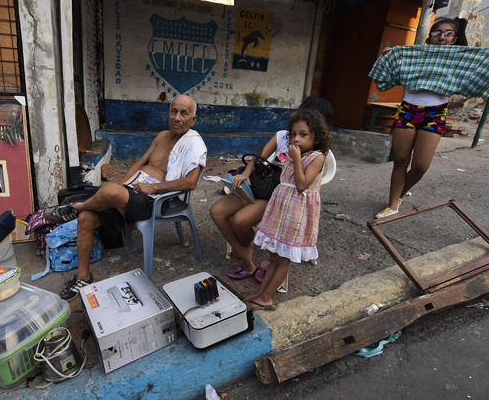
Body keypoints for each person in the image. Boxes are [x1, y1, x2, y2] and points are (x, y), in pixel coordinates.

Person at [45, 95, 207, 300]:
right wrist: (123, 184)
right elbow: (139, 163)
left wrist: (154, 187)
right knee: (87, 218)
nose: (177, 117)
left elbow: (190, 183)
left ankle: (74, 208)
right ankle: (83, 277)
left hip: (153, 200)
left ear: (193, 120)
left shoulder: (194, 144)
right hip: (132, 191)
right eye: (174, 111)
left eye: (184, 113)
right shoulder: (162, 136)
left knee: (108, 192)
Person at [371, 17, 489, 219]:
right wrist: (388, 57)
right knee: (400, 160)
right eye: (437, 33)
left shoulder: (459, 59)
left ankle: (399, 194)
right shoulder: (416, 55)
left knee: (420, 166)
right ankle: (392, 205)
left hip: (435, 113)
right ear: (429, 37)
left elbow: (484, 68)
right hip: (408, 110)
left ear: (454, 39)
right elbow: (388, 72)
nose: (442, 37)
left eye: (448, 33)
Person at [209, 96, 333, 282]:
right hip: (259, 184)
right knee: (217, 211)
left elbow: (305, 185)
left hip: (278, 197)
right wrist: (246, 174)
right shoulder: (283, 135)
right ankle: (244, 251)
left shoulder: (315, 153)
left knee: (240, 221)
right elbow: (258, 157)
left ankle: (246, 258)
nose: (297, 136)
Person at [244, 108, 332, 310]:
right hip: (282, 210)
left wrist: (297, 159)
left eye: (303, 135)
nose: (296, 139)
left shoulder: (317, 157)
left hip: (296, 214)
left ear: (316, 138)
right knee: (274, 255)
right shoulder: (295, 154)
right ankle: (261, 294)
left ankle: (267, 298)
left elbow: (302, 185)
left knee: (284, 259)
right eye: (293, 134)